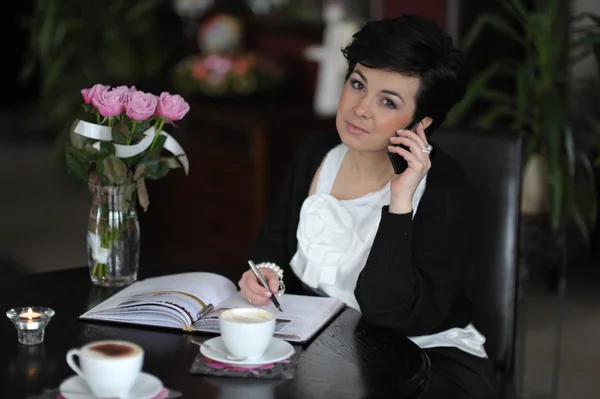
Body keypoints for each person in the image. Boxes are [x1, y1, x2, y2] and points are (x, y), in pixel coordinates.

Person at [238, 14, 500, 399]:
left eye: (388, 101)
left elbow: (386, 311)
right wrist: (265, 273)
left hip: (424, 359)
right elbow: (272, 243)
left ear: (421, 123)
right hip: (327, 345)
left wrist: (400, 200)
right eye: (358, 84)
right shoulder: (315, 153)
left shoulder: (445, 189)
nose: (361, 108)